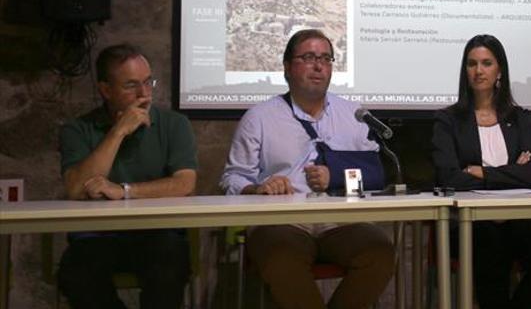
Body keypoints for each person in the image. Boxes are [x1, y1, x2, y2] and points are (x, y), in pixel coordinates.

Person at [220, 29, 394, 309]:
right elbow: (233, 177)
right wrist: (257, 187)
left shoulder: (354, 115)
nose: (318, 66)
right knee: (280, 258)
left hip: (341, 221)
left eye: (326, 58)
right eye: (309, 57)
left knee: (379, 252)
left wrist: (335, 176)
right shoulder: (259, 117)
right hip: (282, 221)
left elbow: (375, 174)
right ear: (287, 67)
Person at [57, 43, 198, 309]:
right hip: (97, 237)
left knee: (169, 264)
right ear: (106, 90)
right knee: (76, 273)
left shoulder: (174, 124)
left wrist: (124, 191)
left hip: (157, 234)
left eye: (148, 82)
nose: (144, 94)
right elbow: (76, 188)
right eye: (131, 86)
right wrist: (118, 132)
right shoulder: (77, 129)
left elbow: (184, 183)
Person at [432, 34, 531, 309]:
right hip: (470, 223)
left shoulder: (520, 118)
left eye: (487, 63)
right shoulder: (448, 120)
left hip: (516, 218)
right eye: (472, 64)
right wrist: (510, 172)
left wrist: (481, 172)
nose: (479, 71)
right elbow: (449, 177)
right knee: (489, 245)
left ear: (499, 69)